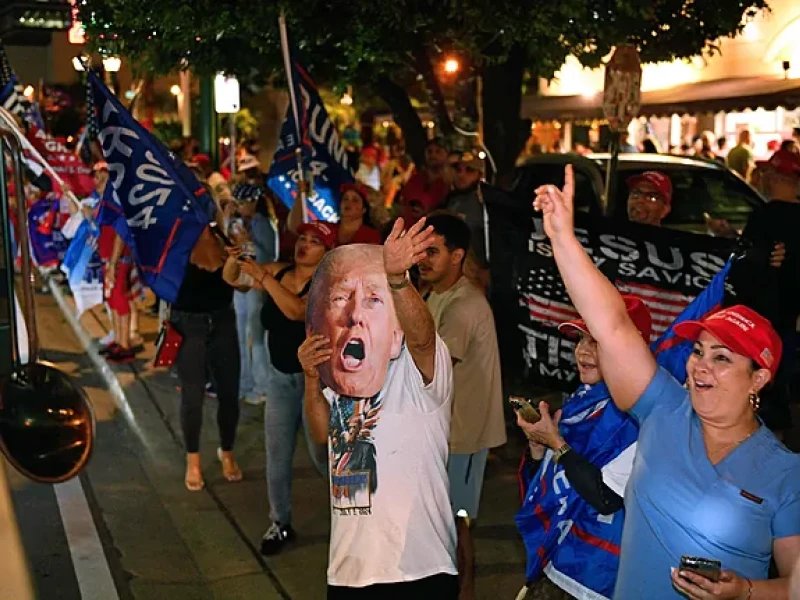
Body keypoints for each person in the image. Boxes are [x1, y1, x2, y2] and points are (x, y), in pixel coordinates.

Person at [533, 165, 800, 599]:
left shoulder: (787, 474)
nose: (699, 366)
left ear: (761, 377)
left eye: (721, 358)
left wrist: (746, 592)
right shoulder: (663, 408)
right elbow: (613, 326)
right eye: (697, 352)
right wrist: (563, 237)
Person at [299, 219, 458, 598]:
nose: (355, 314)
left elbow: (422, 337)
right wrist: (310, 380)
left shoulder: (421, 369)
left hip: (420, 570)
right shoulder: (342, 376)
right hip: (348, 572)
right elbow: (322, 438)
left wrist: (398, 278)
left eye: (374, 299)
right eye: (342, 298)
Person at [515, 296, 650, 600]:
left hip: (593, 575)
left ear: (630, 346)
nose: (582, 350)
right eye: (580, 339)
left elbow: (606, 498)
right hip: (558, 557)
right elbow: (553, 482)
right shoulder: (582, 399)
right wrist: (539, 448)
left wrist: (557, 443)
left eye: (596, 341)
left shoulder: (638, 413)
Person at [420, 213, 506, 600]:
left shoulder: (464, 305)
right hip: (443, 431)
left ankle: (464, 592)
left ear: (457, 256)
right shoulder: (434, 294)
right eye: (422, 250)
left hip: (462, 435)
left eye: (432, 252)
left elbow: (432, 370)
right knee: (445, 520)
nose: (423, 259)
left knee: (456, 522)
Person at [235, 221, 334, 556]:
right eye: (302, 238)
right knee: (276, 455)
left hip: (316, 382)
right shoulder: (278, 271)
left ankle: (353, 516)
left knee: (324, 455)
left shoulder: (329, 283)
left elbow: (295, 311)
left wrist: (262, 277)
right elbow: (234, 279)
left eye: (314, 241)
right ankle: (280, 522)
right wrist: (237, 255)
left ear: (327, 251)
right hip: (279, 378)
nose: (304, 245)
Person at [728, 147, 800, 438]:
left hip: (758, 318)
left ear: (782, 178)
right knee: (777, 386)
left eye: (771, 173)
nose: (766, 178)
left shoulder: (767, 215)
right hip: (787, 320)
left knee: (757, 389)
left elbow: (743, 262)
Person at [171, 226, 244, 491]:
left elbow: (243, 286)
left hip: (223, 320)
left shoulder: (226, 241)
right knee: (192, 396)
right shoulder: (175, 240)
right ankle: (193, 460)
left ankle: (227, 450)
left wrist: (235, 259)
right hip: (188, 325)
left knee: (229, 392)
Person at [230, 183, 279, 406]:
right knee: (240, 334)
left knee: (256, 337)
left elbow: (267, 256)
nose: (240, 208)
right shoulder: (238, 222)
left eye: (243, 203)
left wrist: (247, 242)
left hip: (257, 283)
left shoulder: (263, 223)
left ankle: (262, 386)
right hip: (240, 281)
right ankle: (244, 381)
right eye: (237, 203)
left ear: (253, 202)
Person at [288, 183, 381, 246]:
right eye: (345, 199)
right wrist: (300, 195)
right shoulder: (326, 228)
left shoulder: (371, 236)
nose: (348, 202)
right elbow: (295, 227)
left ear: (364, 209)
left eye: (355, 200)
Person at [400, 138, 452, 225]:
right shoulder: (415, 180)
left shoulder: (450, 183)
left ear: (446, 154)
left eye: (438, 151)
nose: (433, 155)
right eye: (429, 151)